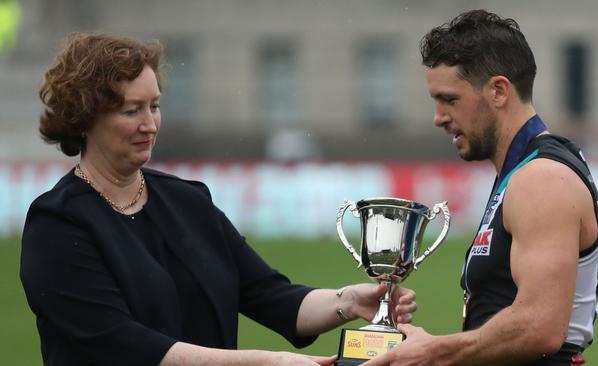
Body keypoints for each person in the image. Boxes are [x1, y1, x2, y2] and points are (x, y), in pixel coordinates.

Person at [20, 32, 417, 366]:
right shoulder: (57, 224)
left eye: (155, 105)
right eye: (131, 110)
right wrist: (267, 362)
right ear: (85, 117)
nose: (150, 123)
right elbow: (124, 346)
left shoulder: (189, 202)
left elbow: (273, 297)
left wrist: (350, 301)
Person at [364, 9, 598, 366]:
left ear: (498, 91)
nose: (438, 117)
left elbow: (540, 327)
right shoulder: (521, 172)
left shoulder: (542, 179)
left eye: (450, 99)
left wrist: (435, 352)